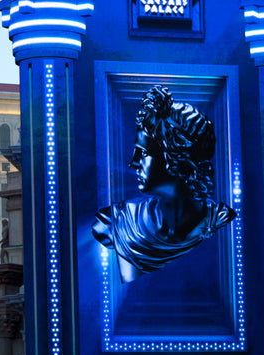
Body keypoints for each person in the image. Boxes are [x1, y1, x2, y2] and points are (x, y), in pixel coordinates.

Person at [91, 85, 237, 283]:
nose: (133, 163)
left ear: (178, 160)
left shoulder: (220, 219)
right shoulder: (115, 223)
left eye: (143, 153)